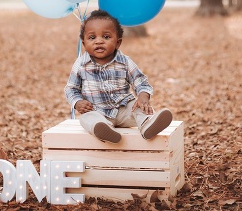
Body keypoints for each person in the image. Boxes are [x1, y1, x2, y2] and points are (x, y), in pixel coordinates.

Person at [64, 10, 172, 143]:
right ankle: (104, 130)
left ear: (118, 42)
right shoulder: (80, 64)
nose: (99, 41)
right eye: (92, 38)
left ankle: (147, 125)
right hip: (97, 110)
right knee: (87, 119)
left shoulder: (125, 62)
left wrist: (143, 96)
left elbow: (140, 81)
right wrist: (77, 102)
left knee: (139, 109)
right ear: (84, 43)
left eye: (106, 37)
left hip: (124, 109)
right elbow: (71, 88)